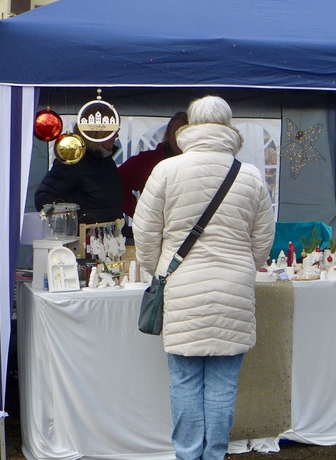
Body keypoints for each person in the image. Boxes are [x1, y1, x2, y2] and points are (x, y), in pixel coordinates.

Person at [132, 95, 275, 460]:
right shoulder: (251, 176)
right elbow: (263, 243)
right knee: (224, 387)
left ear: (191, 127)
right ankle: (214, 456)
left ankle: (187, 454)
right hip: (234, 292)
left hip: (182, 289)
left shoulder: (165, 170)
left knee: (184, 382)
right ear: (228, 127)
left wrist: (159, 271)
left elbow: (145, 235)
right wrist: (242, 267)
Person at [35, 127, 124, 225]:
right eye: (112, 130)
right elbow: (44, 198)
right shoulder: (74, 160)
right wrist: (72, 225)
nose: (117, 135)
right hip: (83, 237)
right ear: (97, 132)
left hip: (107, 235)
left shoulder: (106, 160)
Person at [118, 112, 188, 218]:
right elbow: (118, 181)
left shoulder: (203, 164)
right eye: (176, 132)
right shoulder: (148, 161)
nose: (180, 137)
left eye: (186, 132)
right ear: (167, 136)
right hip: (157, 229)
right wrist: (139, 214)